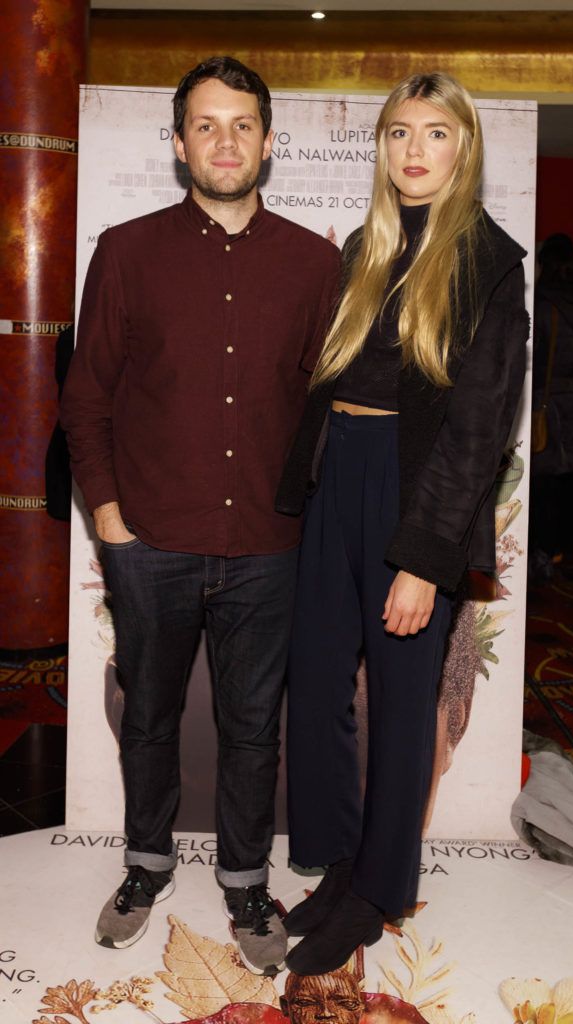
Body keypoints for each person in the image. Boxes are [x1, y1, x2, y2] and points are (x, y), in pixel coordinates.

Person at [61, 55, 340, 974]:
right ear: (179, 144)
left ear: (269, 140)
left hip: (267, 544)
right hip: (150, 542)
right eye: (207, 125)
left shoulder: (314, 262)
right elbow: (86, 396)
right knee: (148, 716)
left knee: (254, 726)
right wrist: (107, 514)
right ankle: (145, 866)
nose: (227, 141)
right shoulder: (128, 250)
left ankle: (247, 881)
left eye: (244, 124)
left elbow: (325, 410)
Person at [275, 70, 529, 975]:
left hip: (412, 492)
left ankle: (380, 891)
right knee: (316, 683)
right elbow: (324, 385)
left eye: (434, 133)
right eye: (396, 134)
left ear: (464, 150)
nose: (413, 151)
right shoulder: (365, 245)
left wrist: (423, 559)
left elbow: (480, 425)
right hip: (337, 477)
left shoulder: (489, 261)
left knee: (398, 700)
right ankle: (342, 863)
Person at [528, 233, 573, 581]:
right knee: (562, 481)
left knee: (540, 483)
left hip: (542, 399)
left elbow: (533, 357)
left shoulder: (542, 304)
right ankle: (555, 549)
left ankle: (539, 553)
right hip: (570, 397)